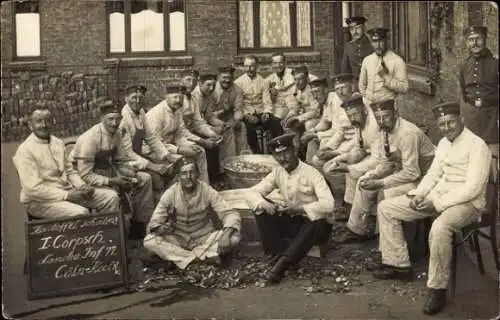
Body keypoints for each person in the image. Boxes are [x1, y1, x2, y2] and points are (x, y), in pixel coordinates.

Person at [373, 102, 492, 315]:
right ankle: (398, 264)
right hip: (438, 196)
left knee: (439, 228)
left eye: (450, 122)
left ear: (461, 120)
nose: (447, 128)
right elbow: (433, 174)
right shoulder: (445, 143)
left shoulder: (478, 146)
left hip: (468, 205)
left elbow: (473, 188)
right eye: (442, 124)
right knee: (386, 207)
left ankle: (437, 288)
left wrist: (435, 203)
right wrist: (420, 194)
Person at [330, 99, 435, 244]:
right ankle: (357, 230)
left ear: (395, 114)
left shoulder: (408, 133)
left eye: (385, 116)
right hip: (405, 172)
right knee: (364, 181)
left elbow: (412, 173)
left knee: (385, 192)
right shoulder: (385, 130)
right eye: (378, 117)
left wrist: (380, 182)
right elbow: (385, 162)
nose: (382, 121)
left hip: (425, 178)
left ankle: (385, 240)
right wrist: (373, 176)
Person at [246, 132, 334, 284]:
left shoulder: (311, 173)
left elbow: (329, 204)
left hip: (318, 229)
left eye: (286, 153)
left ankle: (282, 264)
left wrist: (301, 208)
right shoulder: (278, 172)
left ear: (294, 151)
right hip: (296, 224)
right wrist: (265, 204)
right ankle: (275, 253)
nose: (282, 158)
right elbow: (251, 193)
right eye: (277, 155)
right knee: (260, 206)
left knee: (315, 219)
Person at [13, 108, 120, 219]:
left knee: (111, 197)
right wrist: (67, 195)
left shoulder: (57, 142)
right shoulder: (25, 150)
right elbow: (33, 189)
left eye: (47, 120)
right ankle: (91, 236)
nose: (44, 125)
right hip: (39, 201)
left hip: (66, 191)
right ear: (30, 125)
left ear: (52, 122)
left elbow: (69, 171)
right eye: (39, 121)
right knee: (81, 213)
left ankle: (105, 235)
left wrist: (82, 186)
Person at [69, 101, 155, 239]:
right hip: (80, 177)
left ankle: (137, 226)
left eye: (118, 118)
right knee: (113, 196)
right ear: (101, 119)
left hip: (106, 169)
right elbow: (84, 174)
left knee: (144, 179)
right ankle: (111, 238)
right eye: (110, 119)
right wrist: (113, 180)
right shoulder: (90, 138)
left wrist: (129, 171)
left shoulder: (117, 133)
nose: (115, 123)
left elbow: (120, 159)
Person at [143, 159, 241, 270]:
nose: (188, 176)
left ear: (198, 174)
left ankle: (181, 260)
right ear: (179, 177)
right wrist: (160, 229)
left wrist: (226, 235)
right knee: (149, 241)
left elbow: (230, 213)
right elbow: (154, 222)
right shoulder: (170, 193)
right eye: (184, 173)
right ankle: (197, 259)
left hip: (203, 237)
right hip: (178, 239)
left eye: (192, 172)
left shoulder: (207, 190)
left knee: (234, 237)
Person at [119, 85, 182, 202]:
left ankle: (167, 203)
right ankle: (145, 215)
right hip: (124, 160)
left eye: (140, 97)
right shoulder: (123, 119)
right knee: (156, 176)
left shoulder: (141, 112)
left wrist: (167, 155)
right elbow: (127, 153)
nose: (137, 101)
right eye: (134, 97)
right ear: (126, 99)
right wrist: (154, 166)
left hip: (136, 156)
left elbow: (151, 138)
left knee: (171, 166)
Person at [146, 84, 211, 183]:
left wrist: (190, 145)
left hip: (170, 145)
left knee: (200, 151)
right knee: (184, 161)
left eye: (181, 97)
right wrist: (180, 150)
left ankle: (203, 185)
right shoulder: (156, 114)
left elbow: (180, 132)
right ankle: (180, 191)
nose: (178, 100)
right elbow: (156, 143)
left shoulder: (177, 109)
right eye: (174, 97)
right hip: (154, 151)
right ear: (166, 97)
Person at [458, 26, 499, 164]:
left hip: (492, 117)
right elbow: (463, 93)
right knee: (472, 156)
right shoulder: (464, 65)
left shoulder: (495, 63)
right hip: (472, 118)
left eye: (478, 39)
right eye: (471, 40)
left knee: (493, 158)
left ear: (485, 39)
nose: (474, 43)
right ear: (467, 42)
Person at [309, 73, 358, 168]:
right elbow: (341, 131)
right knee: (318, 158)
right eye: (337, 89)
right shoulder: (344, 104)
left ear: (352, 87)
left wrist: (335, 152)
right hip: (346, 143)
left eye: (343, 87)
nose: (340, 92)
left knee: (326, 164)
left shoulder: (358, 103)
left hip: (356, 146)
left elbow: (360, 137)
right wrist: (328, 148)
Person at [234, 55, 276, 154]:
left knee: (274, 122)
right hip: (247, 113)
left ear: (257, 66)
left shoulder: (263, 81)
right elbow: (238, 104)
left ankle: (275, 150)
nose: (249, 69)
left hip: (260, 111)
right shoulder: (238, 83)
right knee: (249, 129)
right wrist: (246, 116)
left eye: (252, 66)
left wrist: (266, 113)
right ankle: (257, 153)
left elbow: (267, 100)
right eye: (246, 66)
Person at [190, 73, 227, 182]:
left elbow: (209, 116)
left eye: (213, 85)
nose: (211, 88)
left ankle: (218, 173)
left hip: (201, 127)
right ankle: (211, 179)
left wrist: (221, 124)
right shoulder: (194, 97)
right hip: (192, 130)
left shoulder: (207, 96)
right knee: (212, 145)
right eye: (208, 85)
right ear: (200, 83)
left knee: (220, 138)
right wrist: (213, 132)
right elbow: (196, 123)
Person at [359, 28, 408, 107]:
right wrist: (368, 98)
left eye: (380, 41)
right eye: (374, 42)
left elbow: (404, 88)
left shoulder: (397, 61)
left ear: (386, 41)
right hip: (369, 105)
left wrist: (386, 77)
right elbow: (362, 84)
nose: (378, 45)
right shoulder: (367, 60)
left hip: (387, 106)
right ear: (371, 43)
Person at [212, 65, 248, 156]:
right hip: (213, 119)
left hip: (229, 117)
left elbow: (238, 108)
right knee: (227, 131)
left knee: (241, 126)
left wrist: (237, 120)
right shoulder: (211, 89)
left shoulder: (237, 90)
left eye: (230, 78)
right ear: (219, 77)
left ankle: (241, 156)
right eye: (224, 77)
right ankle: (226, 162)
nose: (227, 80)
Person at [300, 77, 334, 162]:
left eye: (317, 92)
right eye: (313, 93)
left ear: (326, 90)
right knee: (312, 138)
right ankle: (309, 163)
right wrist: (313, 130)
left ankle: (315, 164)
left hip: (344, 136)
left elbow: (337, 130)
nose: (315, 97)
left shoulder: (335, 100)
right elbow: (325, 122)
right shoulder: (326, 101)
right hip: (335, 132)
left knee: (321, 141)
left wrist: (315, 134)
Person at [283, 65, 321, 133]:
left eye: (300, 79)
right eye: (295, 79)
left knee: (308, 124)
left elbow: (316, 111)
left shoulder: (312, 90)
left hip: (317, 117)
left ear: (306, 78)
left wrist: (298, 118)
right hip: (305, 116)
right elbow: (295, 107)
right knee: (289, 124)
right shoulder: (296, 90)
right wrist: (289, 116)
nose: (297, 82)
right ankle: (295, 143)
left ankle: (310, 142)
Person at [341, 16, 373, 88]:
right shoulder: (348, 46)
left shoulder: (372, 44)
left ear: (364, 28)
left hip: (371, 84)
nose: (355, 32)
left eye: (358, 28)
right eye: (351, 29)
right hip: (355, 86)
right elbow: (345, 70)